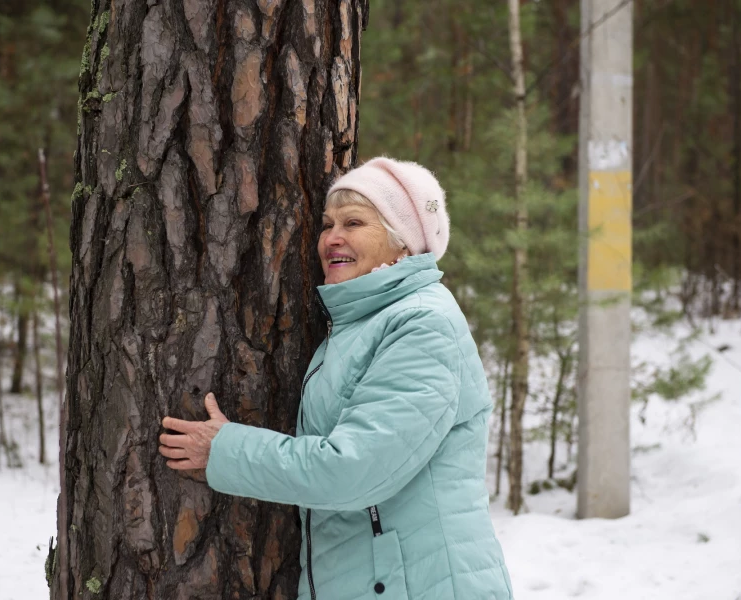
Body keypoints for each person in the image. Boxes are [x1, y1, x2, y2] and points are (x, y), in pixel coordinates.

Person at [159, 157, 513, 600]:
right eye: (327, 224)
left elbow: (354, 470)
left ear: (403, 242)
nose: (332, 238)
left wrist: (225, 449)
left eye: (354, 222)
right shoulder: (360, 323)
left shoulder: (422, 325)